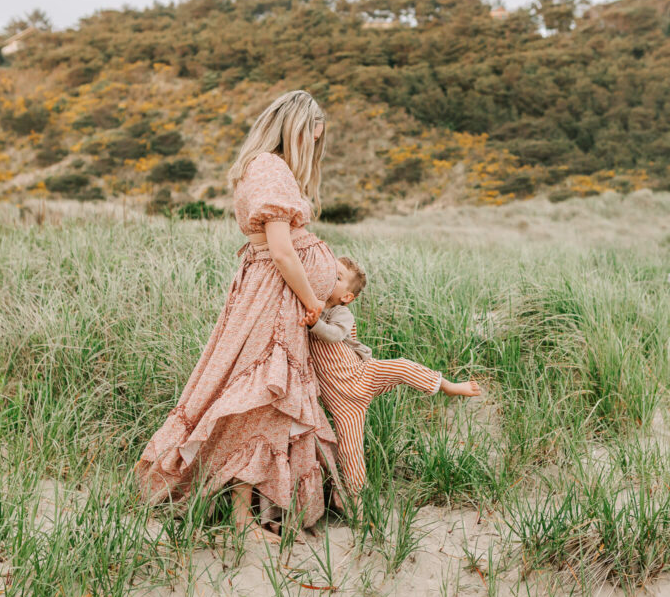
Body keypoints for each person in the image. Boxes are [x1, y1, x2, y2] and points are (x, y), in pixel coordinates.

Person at [135, 90, 340, 543]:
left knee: (267, 403)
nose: (315, 143)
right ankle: (241, 521)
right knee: (257, 399)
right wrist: (313, 301)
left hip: (277, 296)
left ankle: (264, 511)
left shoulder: (271, 167)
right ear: (294, 128)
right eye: (312, 132)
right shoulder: (269, 167)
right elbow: (284, 252)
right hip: (275, 297)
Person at [302, 256, 482, 498]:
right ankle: (356, 503)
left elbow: (333, 335)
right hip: (342, 403)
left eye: (336, 277)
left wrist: (315, 323)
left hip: (362, 375)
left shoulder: (339, 313)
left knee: (402, 366)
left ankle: (447, 386)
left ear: (346, 297)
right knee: (350, 451)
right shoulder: (307, 305)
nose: (327, 277)